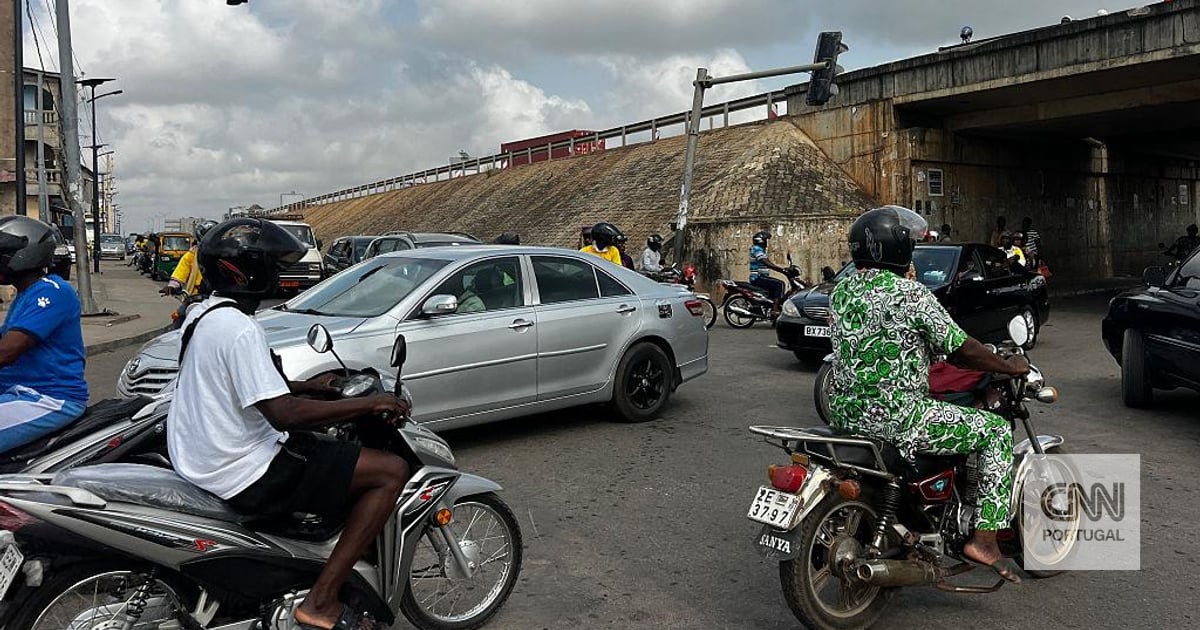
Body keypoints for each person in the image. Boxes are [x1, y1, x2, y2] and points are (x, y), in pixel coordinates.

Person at [168, 217, 411, 630]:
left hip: (200, 455)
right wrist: (367, 405)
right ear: (246, 270)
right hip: (242, 468)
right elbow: (284, 414)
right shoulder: (239, 327)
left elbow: (248, 382)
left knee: (323, 448)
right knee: (391, 471)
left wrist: (311, 386)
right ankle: (320, 601)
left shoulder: (204, 315)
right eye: (273, 265)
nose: (279, 274)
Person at [828, 205, 1030, 583]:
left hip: (845, 414)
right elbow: (962, 349)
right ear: (898, 248)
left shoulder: (843, 289)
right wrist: (1009, 366)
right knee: (995, 432)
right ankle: (984, 540)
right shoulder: (910, 294)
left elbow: (889, 339)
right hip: (898, 417)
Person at [0, 216, 88, 452]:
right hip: (19, 393)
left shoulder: (53, 292)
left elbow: (6, 351)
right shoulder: (25, 294)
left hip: (49, 398)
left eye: (3, 254)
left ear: (26, 254)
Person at [160, 220, 217, 297]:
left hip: (222, 296)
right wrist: (172, 286)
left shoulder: (226, 255)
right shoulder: (192, 255)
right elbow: (180, 273)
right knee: (180, 309)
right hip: (196, 296)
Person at [748, 230, 786, 306]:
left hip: (761, 276)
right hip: (758, 277)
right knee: (780, 284)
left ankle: (770, 306)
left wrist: (781, 269)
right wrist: (782, 270)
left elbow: (768, 263)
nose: (766, 243)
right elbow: (766, 262)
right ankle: (775, 309)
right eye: (765, 240)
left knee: (773, 289)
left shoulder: (760, 250)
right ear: (761, 241)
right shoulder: (757, 249)